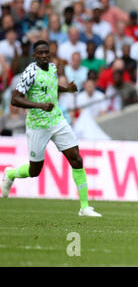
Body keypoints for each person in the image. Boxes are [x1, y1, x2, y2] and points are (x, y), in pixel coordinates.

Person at [1, 40, 101, 217]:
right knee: (35, 170)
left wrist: (67, 89)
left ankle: (84, 207)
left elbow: (51, 87)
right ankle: (11, 174)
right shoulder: (30, 72)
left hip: (57, 120)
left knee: (76, 159)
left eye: (46, 52)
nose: (44, 56)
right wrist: (39, 105)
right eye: (40, 53)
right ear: (34, 55)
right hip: (38, 125)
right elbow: (15, 99)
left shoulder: (53, 68)